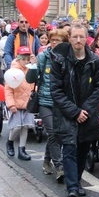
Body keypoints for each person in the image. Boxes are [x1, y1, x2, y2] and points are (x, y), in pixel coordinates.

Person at [49, 23, 99, 197]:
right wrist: (74, 112)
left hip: (87, 114)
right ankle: (72, 188)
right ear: (70, 38)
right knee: (70, 149)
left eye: (82, 37)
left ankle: (77, 181)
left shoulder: (94, 60)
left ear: (86, 38)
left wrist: (86, 110)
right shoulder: (59, 59)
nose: (78, 40)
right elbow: (55, 90)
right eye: (75, 37)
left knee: (82, 149)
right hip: (67, 113)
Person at [26, 28, 69, 181]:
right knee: (53, 133)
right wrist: (32, 66)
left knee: (56, 135)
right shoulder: (43, 56)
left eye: (58, 40)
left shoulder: (68, 58)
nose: (55, 43)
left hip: (62, 102)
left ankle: (46, 160)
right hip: (45, 101)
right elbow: (31, 79)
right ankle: (59, 166)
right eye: (52, 40)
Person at [4, 46, 37, 161]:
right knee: (17, 127)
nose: (27, 61)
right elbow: (8, 89)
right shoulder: (13, 71)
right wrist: (11, 104)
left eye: (28, 59)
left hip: (29, 103)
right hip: (17, 103)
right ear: (18, 59)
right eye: (24, 59)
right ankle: (10, 142)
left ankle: (22, 149)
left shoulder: (31, 69)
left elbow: (35, 84)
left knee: (25, 127)